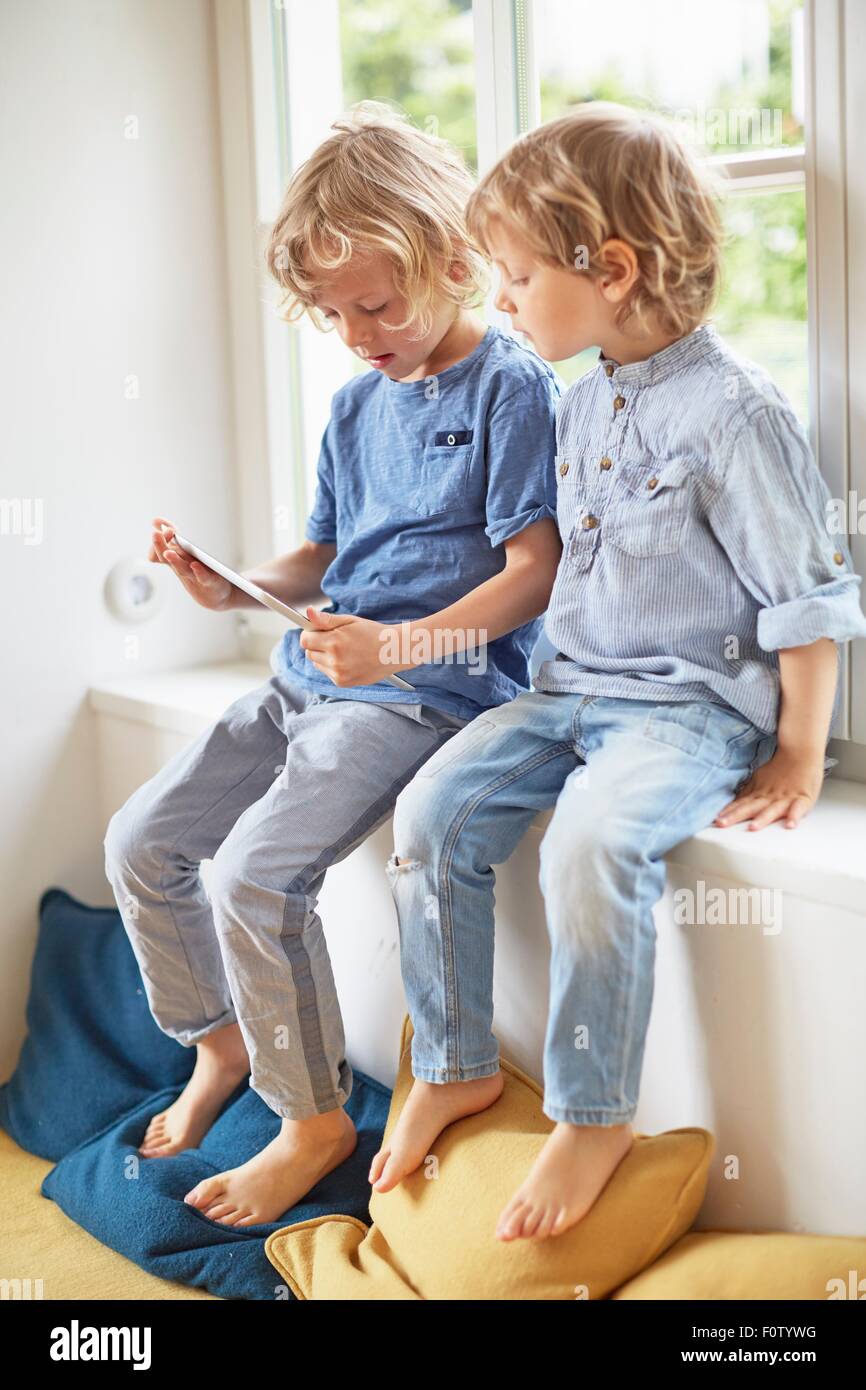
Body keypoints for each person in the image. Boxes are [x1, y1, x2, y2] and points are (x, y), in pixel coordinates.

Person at [371, 101, 866, 1242]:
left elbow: (805, 599)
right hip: (566, 692)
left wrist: (796, 747)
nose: (496, 300)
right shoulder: (577, 394)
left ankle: (593, 1109)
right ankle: (452, 1061)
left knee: (596, 843)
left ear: (613, 268)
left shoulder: (735, 413)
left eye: (512, 275)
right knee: (431, 808)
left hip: (685, 715)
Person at [103, 102, 561, 1228]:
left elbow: (532, 573)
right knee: (143, 842)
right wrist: (229, 584)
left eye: (375, 304)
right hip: (311, 674)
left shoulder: (509, 387)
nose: (356, 334)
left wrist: (396, 646)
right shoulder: (356, 401)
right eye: (331, 313)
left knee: (255, 874)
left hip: (420, 695)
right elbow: (322, 556)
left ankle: (309, 1119)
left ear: (454, 262)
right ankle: (215, 1044)